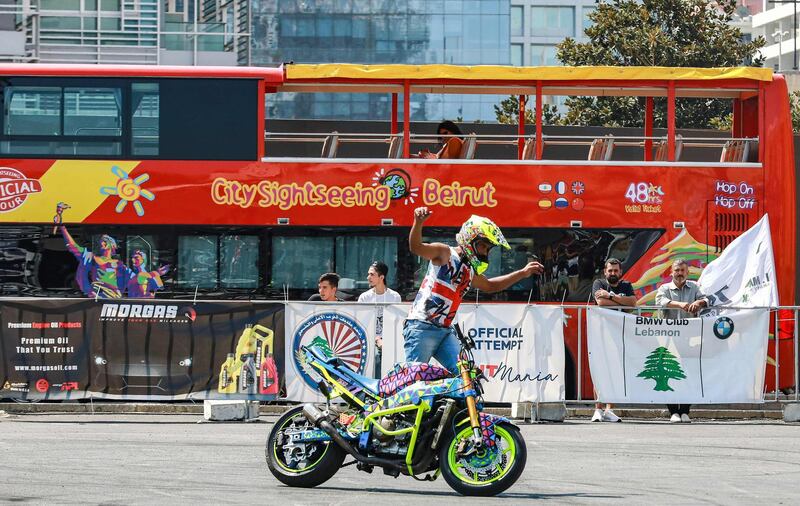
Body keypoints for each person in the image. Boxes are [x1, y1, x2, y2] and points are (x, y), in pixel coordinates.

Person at [404, 207, 544, 373]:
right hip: (422, 326)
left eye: (488, 249)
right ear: (470, 239)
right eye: (484, 246)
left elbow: (491, 286)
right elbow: (416, 247)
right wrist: (418, 222)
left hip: (445, 331)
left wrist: (522, 273)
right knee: (414, 381)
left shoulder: (469, 270)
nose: (485, 252)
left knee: (467, 376)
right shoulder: (444, 253)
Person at [655, 258, 709, 423]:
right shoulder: (664, 288)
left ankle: (685, 411)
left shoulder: (694, 287)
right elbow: (661, 302)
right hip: (669, 337)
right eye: (676, 270)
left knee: (689, 373)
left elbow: (706, 300)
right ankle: (673, 412)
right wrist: (681, 305)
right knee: (669, 373)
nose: (679, 274)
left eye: (682, 271)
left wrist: (698, 302)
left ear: (687, 272)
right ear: (671, 272)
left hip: (690, 337)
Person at [591, 258, 638, 423]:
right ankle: (598, 409)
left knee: (616, 370)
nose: (613, 273)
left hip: (619, 333)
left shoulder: (626, 285)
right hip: (600, 332)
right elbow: (600, 302)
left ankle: (610, 409)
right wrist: (619, 302)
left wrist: (610, 295)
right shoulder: (598, 283)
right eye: (610, 271)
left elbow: (632, 304)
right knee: (599, 370)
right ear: (605, 272)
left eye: (615, 271)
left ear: (620, 272)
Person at [358, 261, 401, 378]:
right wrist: (377, 339)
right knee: (377, 357)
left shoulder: (394, 296)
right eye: (368, 274)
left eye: (372, 274)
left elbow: (396, 322)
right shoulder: (364, 297)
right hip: (370, 339)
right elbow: (361, 323)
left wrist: (386, 340)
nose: (368, 277)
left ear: (381, 277)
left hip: (390, 339)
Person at [60, 225, 126, 298]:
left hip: (114, 298)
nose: (102, 243)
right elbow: (72, 246)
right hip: (96, 297)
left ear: (112, 244)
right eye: (101, 241)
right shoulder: (91, 257)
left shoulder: (119, 263)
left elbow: (125, 282)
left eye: (105, 241)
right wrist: (63, 228)